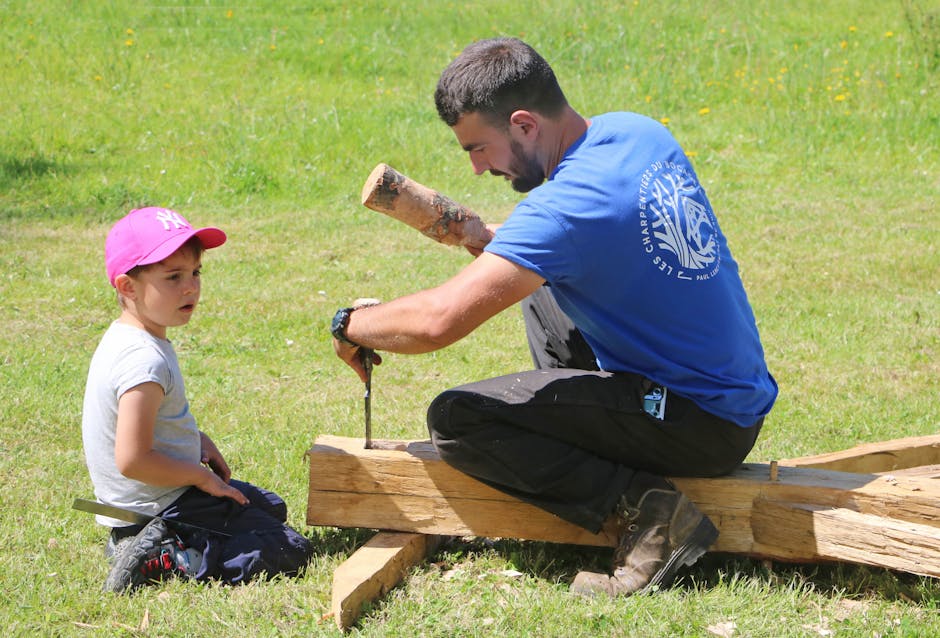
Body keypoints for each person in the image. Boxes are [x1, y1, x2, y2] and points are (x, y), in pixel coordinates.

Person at [331, 38, 777, 597]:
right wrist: (494, 240)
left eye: (478, 148)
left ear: (522, 124)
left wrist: (348, 323)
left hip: (700, 423)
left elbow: (437, 322)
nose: (476, 168)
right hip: (729, 394)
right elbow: (590, 238)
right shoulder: (635, 133)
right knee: (540, 288)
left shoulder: (563, 212)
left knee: (459, 419)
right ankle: (593, 444)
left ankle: (654, 517)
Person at [82, 206, 314, 593]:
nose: (190, 287)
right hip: (159, 502)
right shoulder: (144, 361)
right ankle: (171, 556)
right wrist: (200, 477)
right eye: (173, 277)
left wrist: (196, 442)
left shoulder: (130, 336)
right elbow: (132, 459)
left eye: (195, 273)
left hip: (141, 502)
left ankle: (134, 540)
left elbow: (152, 426)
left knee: (271, 508)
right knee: (289, 547)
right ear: (127, 287)